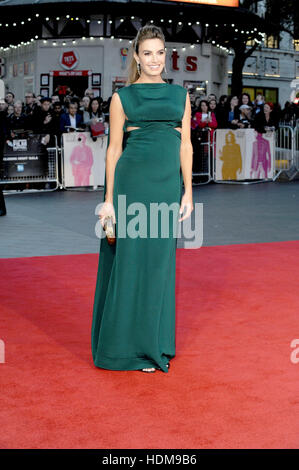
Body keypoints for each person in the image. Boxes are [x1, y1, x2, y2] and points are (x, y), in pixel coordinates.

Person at [91, 24, 193, 373]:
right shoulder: (122, 98)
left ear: (166, 56)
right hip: (131, 187)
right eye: (147, 53)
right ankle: (128, 349)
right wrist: (108, 200)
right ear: (136, 57)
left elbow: (185, 145)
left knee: (159, 266)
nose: (154, 59)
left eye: (160, 53)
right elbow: (114, 150)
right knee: (131, 265)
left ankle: (156, 341)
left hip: (166, 188)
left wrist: (188, 192)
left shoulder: (180, 95)